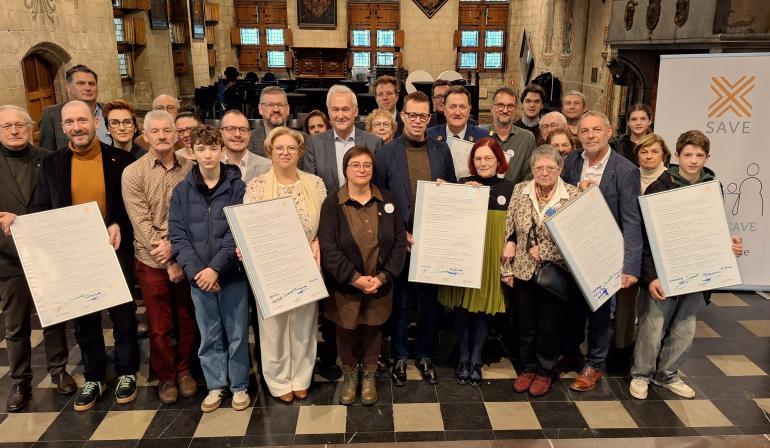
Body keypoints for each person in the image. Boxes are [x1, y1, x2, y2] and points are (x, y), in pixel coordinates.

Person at [31, 100, 140, 411]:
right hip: (75, 253)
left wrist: (117, 222)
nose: (76, 127)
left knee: (123, 314)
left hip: (113, 246)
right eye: (70, 122)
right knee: (84, 317)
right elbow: (41, 207)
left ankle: (126, 370)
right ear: (63, 127)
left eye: (82, 120)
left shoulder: (121, 159)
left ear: (95, 122)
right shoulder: (52, 163)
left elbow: (129, 206)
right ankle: (94, 375)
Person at [630, 130, 744, 400]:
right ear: (677, 156)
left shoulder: (712, 186)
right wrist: (651, 277)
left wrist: (727, 246)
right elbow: (646, 238)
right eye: (688, 155)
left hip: (697, 270)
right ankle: (642, 374)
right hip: (663, 271)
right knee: (653, 326)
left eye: (699, 155)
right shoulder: (659, 187)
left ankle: (667, 374)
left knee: (685, 327)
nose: (693, 161)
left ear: (707, 157)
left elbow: (712, 227)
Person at [373, 91, 456, 386]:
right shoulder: (386, 153)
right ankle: (400, 355)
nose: (418, 120)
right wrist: (399, 233)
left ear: (429, 118)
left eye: (423, 115)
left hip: (432, 240)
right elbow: (379, 199)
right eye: (413, 115)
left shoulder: (441, 150)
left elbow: (452, 189)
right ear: (403, 116)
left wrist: (448, 189)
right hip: (400, 239)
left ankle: (423, 354)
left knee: (429, 302)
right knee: (401, 301)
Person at [168, 125, 250, 412]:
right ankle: (216, 385)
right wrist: (198, 271)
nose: (208, 155)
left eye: (213, 148)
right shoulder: (182, 191)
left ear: (222, 150)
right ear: (191, 152)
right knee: (209, 333)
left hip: (232, 274)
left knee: (237, 332)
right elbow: (178, 235)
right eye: (201, 149)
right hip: (199, 278)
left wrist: (216, 268)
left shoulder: (238, 187)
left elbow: (237, 232)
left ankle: (239, 385)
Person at [318, 146, 406, 405]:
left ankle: (368, 376)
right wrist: (354, 277)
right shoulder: (332, 203)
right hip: (345, 285)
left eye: (367, 165)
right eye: (355, 165)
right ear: (345, 170)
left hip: (379, 283)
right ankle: (350, 376)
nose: (362, 170)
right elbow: (328, 247)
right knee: (345, 331)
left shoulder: (387, 200)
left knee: (373, 330)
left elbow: (399, 242)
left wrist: (384, 276)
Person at [243, 126, 326, 403]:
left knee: (304, 324)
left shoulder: (315, 183)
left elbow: (326, 222)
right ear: (270, 151)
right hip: (271, 264)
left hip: (306, 263)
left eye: (291, 148)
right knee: (273, 327)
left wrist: (318, 241)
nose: (285, 152)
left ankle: (301, 376)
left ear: (300, 152)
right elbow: (249, 226)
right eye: (279, 148)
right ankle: (278, 381)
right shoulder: (256, 186)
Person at [561, 111, 642, 392]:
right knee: (573, 307)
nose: (591, 135)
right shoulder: (572, 162)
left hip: (606, 252)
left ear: (609, 132)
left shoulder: (625, 170)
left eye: (596, 130)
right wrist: (577, 188)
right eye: (585, 131)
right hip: (575, 248)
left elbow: (632, 220)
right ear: (578, 135)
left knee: (600, 312)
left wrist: (630, 266)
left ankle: (594, 364)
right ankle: (572, 353)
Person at [0, 105, 75, 412]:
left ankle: (59, 371)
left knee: (53, 318)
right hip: (8, 258)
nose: (14, 130)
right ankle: (20, 381)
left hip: (46, 254)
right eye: (7, 126)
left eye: (20, 125)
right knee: (15, 326)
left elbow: (59, 205)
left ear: (31, 127)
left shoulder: (49, 159)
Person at [122, 110, 198, 405]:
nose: (162, 136)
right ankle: (166, 376)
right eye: (155, 131)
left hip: (186, 253)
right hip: (151, 258)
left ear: (177, 135)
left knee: (188, 318)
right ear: (145, 135)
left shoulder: (191, 168)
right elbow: (140, 223)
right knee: (159, 325)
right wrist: (167, 259)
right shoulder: (134, 172)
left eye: (167, 130)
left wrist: (176, 251)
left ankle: (185, 370)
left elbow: (194, 214)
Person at [503, 145, 581, 397]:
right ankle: (527, 368)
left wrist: (546, 251)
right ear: (532, 169)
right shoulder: (520, 190)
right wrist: (506, 267)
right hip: (523, 269)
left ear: (560, 168)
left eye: (550, 167)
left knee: (549, 324)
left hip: (554, 273)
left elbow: (576, 240)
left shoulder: (573, 195)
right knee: (524, 323)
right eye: (539, 168)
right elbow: (509, 229)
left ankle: (545, 371)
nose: (544, 172)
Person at [437, 138, 513, 387]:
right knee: (462, 306)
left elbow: (515, 225)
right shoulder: (463, 183)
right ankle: (463, 356)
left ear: (499, 161)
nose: (483, 163)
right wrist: (447, 192)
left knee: (482, 308)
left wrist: (511, 243)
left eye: (488, 158)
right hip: (465, 252)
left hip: (491, 254)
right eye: (478, 158)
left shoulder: (510, 188)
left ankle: (476, 357)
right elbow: (446, 213)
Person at [305, 85, 383, 196]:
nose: (340, 116)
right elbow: (309, 185)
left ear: (356, 111)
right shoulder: (314, 143)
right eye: (335, 110)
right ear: (329, 112)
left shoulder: (374, 143)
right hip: (326, 205)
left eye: (345, 109)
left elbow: (378, 184)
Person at [38, 65, 109, 151]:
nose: (88, 88)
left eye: (91, 84)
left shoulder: (109, 110)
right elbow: (46, 152)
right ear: (68, 87)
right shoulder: (52, 114)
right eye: (81, 83)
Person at [485, 87, 536, 185]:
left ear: (516, 109)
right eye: (500, 105)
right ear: (492, 108)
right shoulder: (479, 134)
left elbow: (529, 177)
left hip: (515, 193)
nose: (505, 110)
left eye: (510, 106)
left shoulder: (527, 138)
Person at [248, 86, 315, 159]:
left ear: (288, 109)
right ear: (260, 109)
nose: (276, 110)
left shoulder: (305, 139)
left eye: (280, 105)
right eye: (270, 105)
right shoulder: (248, 139)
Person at [220, 109, 271, 183]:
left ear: (249, 135)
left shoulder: (268, 166)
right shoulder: (211, 165)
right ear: (221, 133)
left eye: (243, 130)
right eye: (231, 129)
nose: (237, 134)